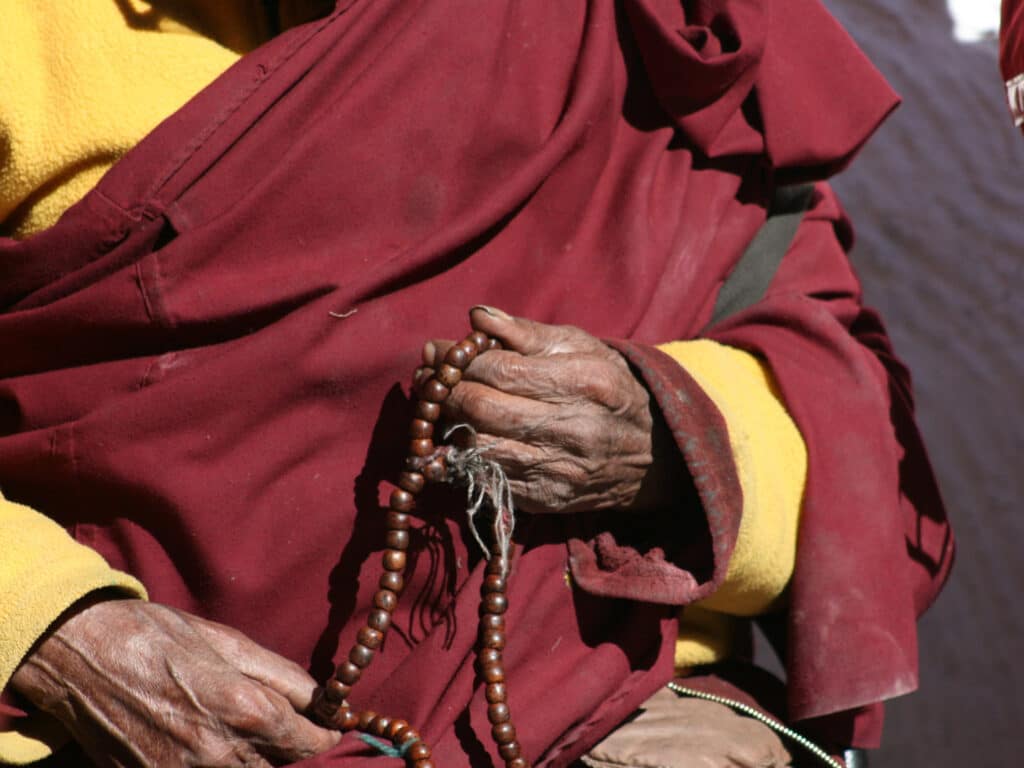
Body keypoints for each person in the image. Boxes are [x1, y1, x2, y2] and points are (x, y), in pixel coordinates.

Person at [0, 1, 953, 765]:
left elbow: (860, 440)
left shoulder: (646, 30)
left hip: (617, 720)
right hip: (118, 720)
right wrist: (57, 627)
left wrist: (675, 438)